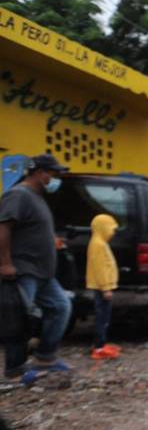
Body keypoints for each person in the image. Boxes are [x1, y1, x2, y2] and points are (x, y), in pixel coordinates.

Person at [0, 154, 72, 384]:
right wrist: (5, 263)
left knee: (61, 307)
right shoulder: (18, 195)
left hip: (43, 273)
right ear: (39, 172)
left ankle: (45, 358)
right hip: (23, 270)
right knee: (18, 321)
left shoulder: (37, 197)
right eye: (53, 173)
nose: (55, 178)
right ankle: (14, 372)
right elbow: (3, 228)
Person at [87, 213, 121, 360]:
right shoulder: (98, 245)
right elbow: (100, 268)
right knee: (102, 317)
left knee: (104, 316)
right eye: (111, 229)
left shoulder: (99, 243)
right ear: (103, 228)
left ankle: (100, 344)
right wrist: (106, 287)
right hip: (102, 288)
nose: (113, 232)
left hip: (103, 286)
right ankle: (99, 347)